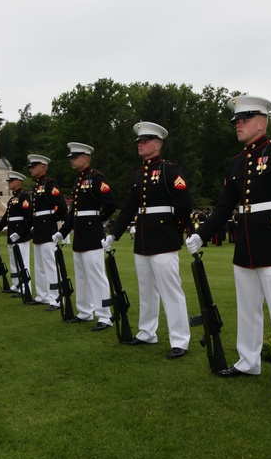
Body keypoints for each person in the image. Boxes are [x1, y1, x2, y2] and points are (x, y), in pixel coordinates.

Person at [185, 96, 271, 398]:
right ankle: (248, 361)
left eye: (244, 120)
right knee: (247, 309)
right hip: (246, 244)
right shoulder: (235, 163)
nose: (238, 125)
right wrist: (203, 233)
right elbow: (223, 207)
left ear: (262, 122)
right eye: (236, 121)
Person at [106, 122, 193, 359]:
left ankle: (180, 340)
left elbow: (184, 203)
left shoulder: (169, 170)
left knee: (171, 290)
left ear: (157, 144)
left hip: (164, 237)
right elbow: (128, 209)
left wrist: (177, 231)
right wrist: (114, 233)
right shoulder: (137, 175)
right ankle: (147, 332)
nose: (140, 145)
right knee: (146, 290)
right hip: (143, 238)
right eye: (138, 142)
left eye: (144, 141)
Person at [53, 142, 119, 331]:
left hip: (91, 233)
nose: (72, 160)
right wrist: (62, 232)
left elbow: (112, 202)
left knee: (97, 275)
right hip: (80, 235)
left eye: (75, 157)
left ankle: (105, 316)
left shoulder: (97, 179)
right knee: (81, 275)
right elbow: (74, 212)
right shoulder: (78, 182)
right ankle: (84, 311)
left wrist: (99, 219)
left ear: (86, 158)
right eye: (71, 157)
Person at [27, 154, 68, 310]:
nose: (31, 169)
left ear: (43, 167)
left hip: (47, 229)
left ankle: (55, 298)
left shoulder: (50, 184)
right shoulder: (37, 186)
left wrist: (53, 219)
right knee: (39, 266)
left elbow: (62, 206)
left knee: (50, 265)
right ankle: (42, 295)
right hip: (38, 229)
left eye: (34, 166)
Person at [0, 171, 33, 296]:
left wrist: (20, 233)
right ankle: (16, 284)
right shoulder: (12, 199)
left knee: (22, 262)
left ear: (18, 182)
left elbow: (29, 217)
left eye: (11, 181)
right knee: (14, 262)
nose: (9, 184)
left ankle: (25, 287)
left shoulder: (24, 197)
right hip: (12, 234)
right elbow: (6, 218)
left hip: (20, 235)